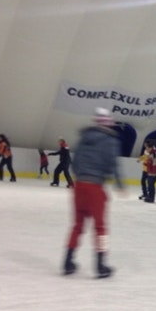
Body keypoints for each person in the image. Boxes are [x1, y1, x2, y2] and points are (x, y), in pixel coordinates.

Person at [63, 107, 125, 278]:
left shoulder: (84, 138)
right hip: (95, 187)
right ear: (109, 124)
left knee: (77, 225)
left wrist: (80, 176)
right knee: (100, 227)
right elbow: (113, 164)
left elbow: (74, 162)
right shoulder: (110, 140)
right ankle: (100, 265)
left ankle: (67, 262)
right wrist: (119, 184)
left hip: (79, 186)